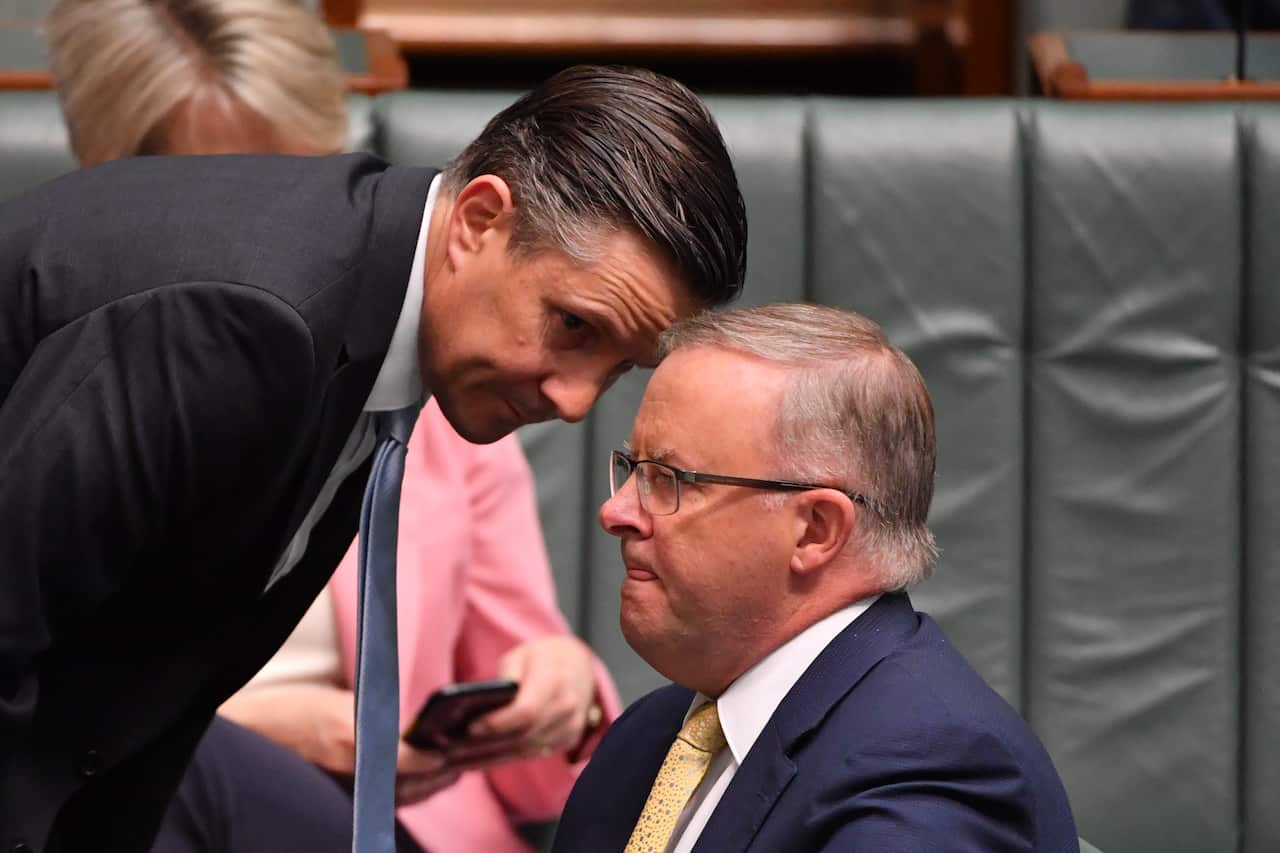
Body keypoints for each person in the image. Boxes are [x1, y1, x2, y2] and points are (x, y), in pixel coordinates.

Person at [0, 2, 748, 846]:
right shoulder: (253, 322)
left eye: (616, 366)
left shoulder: (376, 326)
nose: (576, 402)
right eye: (573, 326)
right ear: (478, 221)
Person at [552, 304, 1078, 852]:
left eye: (668, 479)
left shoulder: (931, 766)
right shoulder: (647, 740)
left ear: (815, 531)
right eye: (632, 470)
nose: (615, 513)